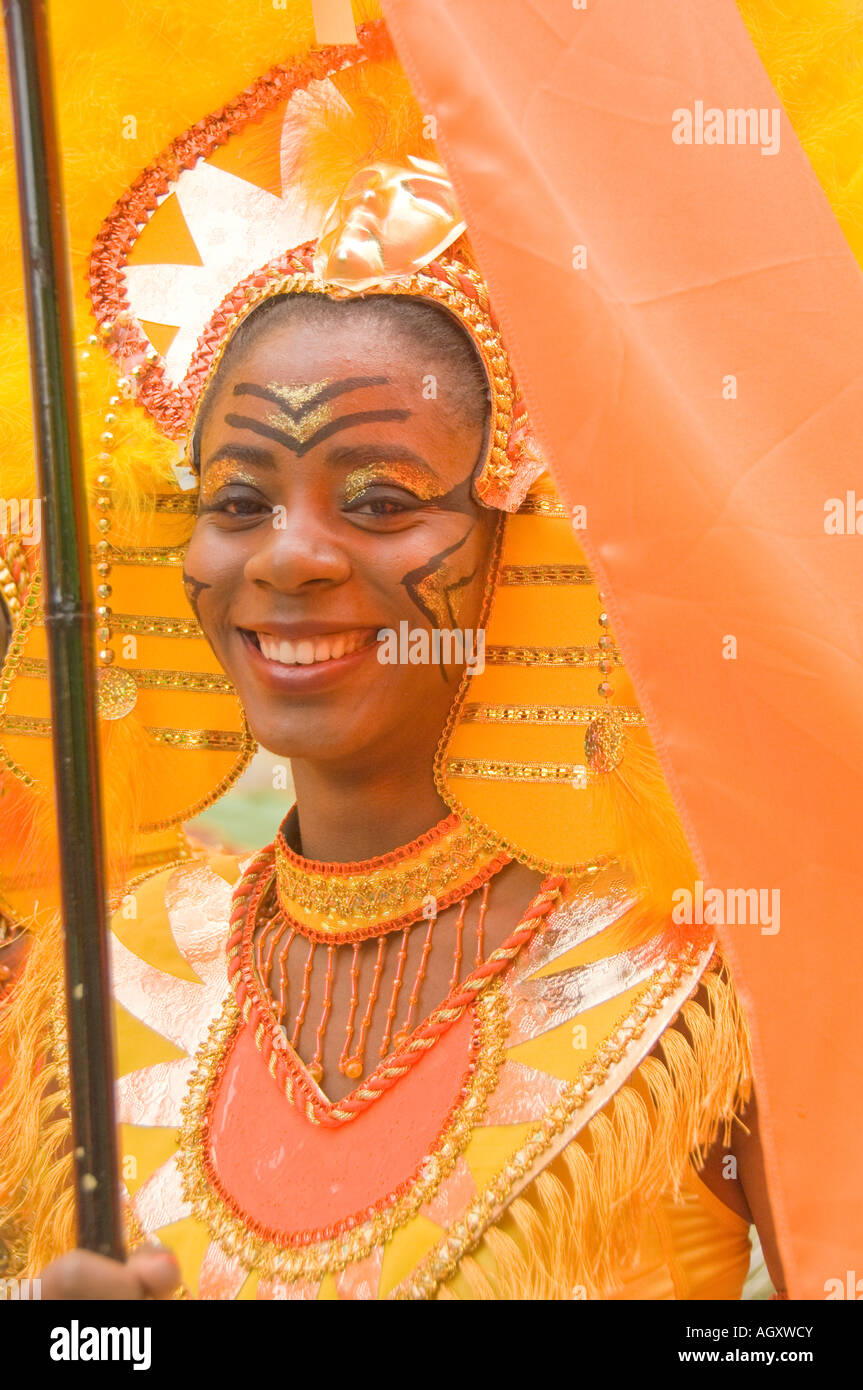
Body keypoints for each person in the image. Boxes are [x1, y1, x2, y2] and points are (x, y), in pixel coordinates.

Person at [0, 11, 785, 1300]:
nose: (288, 557)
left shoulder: (702, 977)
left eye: (377, 500)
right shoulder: (97, 973)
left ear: (512, 544)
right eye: (237, 498)